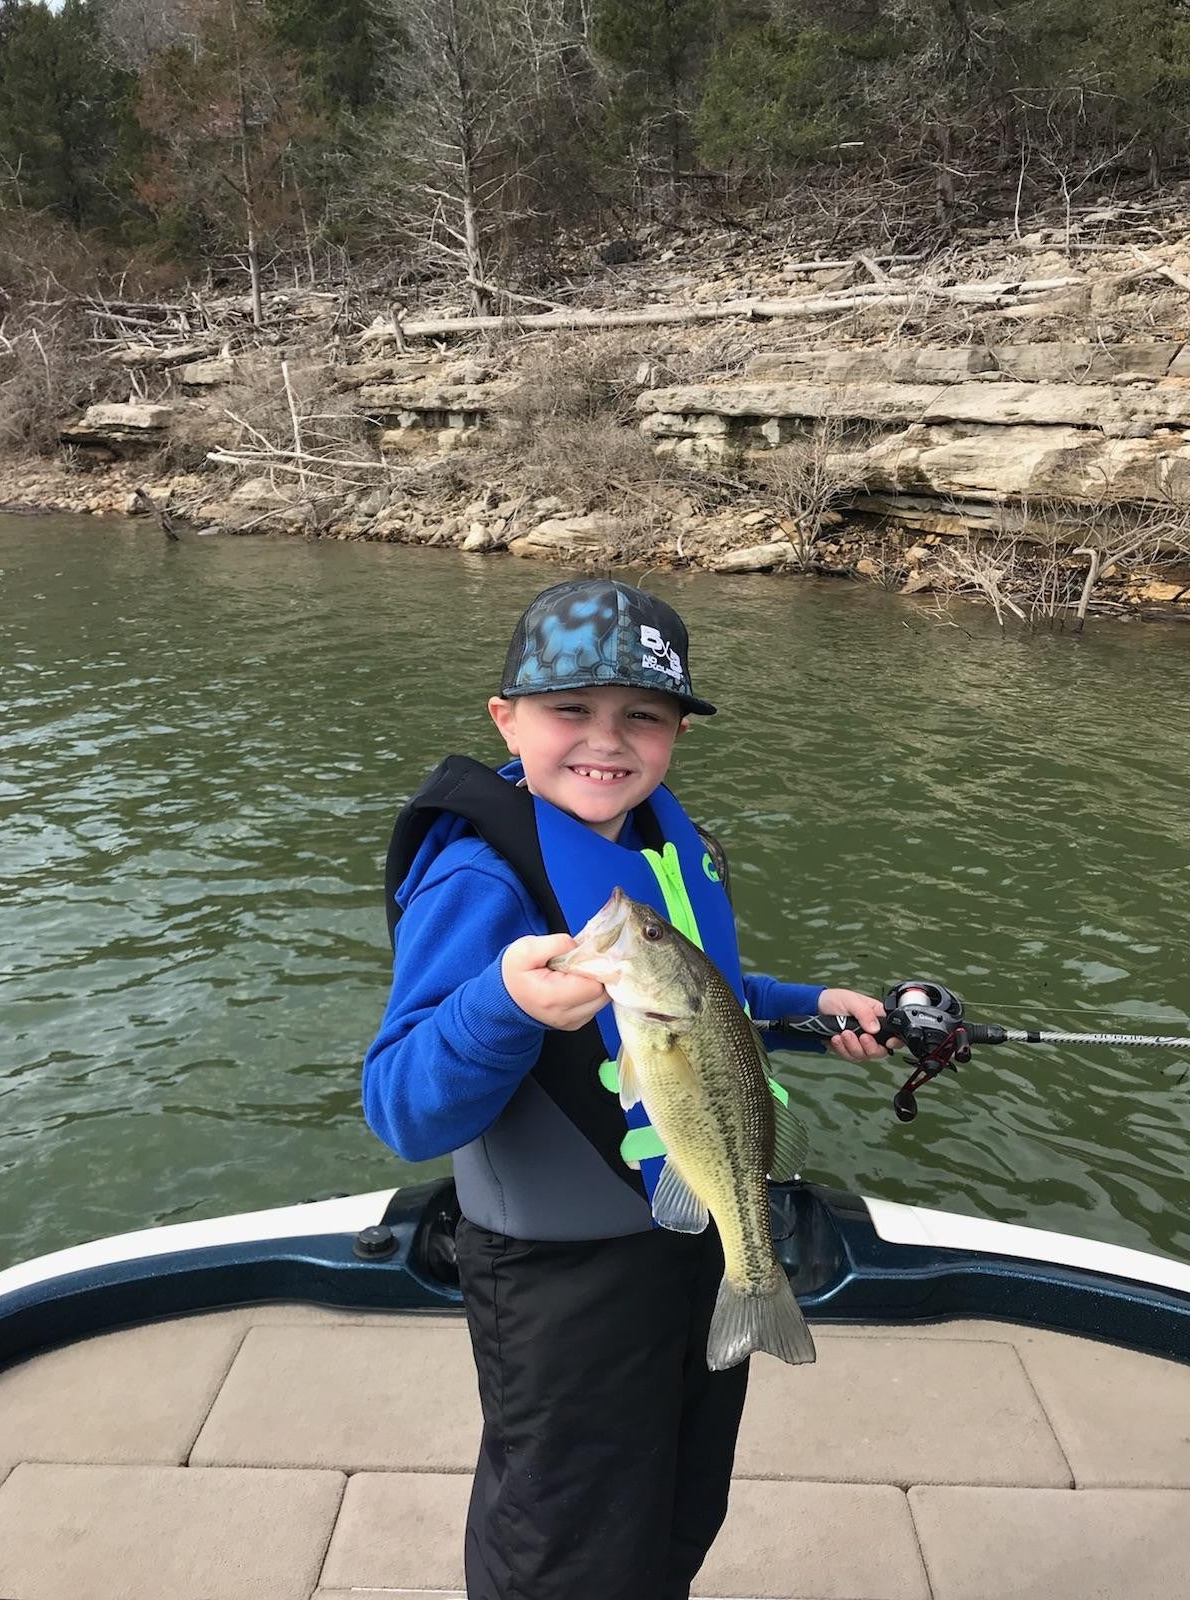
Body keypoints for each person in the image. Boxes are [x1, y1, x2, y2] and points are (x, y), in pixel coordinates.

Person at [363, 577, 896, 1600]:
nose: (606, 743)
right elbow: (400, 1104)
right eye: (569, 710)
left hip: (698, 1237)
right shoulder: (480, 880)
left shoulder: (657, 844)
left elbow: (704, 998)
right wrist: (504, 1007)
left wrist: (815, 1006)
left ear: (676, 734)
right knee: (565, 1541)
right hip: (563, 1285)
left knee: (680, 1504)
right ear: (504, 719)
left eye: (642, 717)